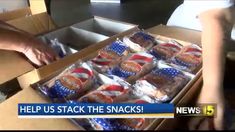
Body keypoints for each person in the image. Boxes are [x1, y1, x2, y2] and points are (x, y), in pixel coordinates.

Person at [167, 0, 235, 130]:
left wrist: (211, 88)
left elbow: (216, 14)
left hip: (207, 42)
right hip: (201, 38)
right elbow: (215, 13)